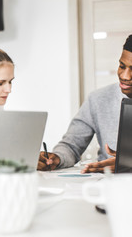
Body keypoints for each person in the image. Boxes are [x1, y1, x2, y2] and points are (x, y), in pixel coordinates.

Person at [37, 34, 132, 173]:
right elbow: (71, 145)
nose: (125, 76)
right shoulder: (99, 99)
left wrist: (128, 164)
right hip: (108, 186)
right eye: (121, 66)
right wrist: (57, 158)